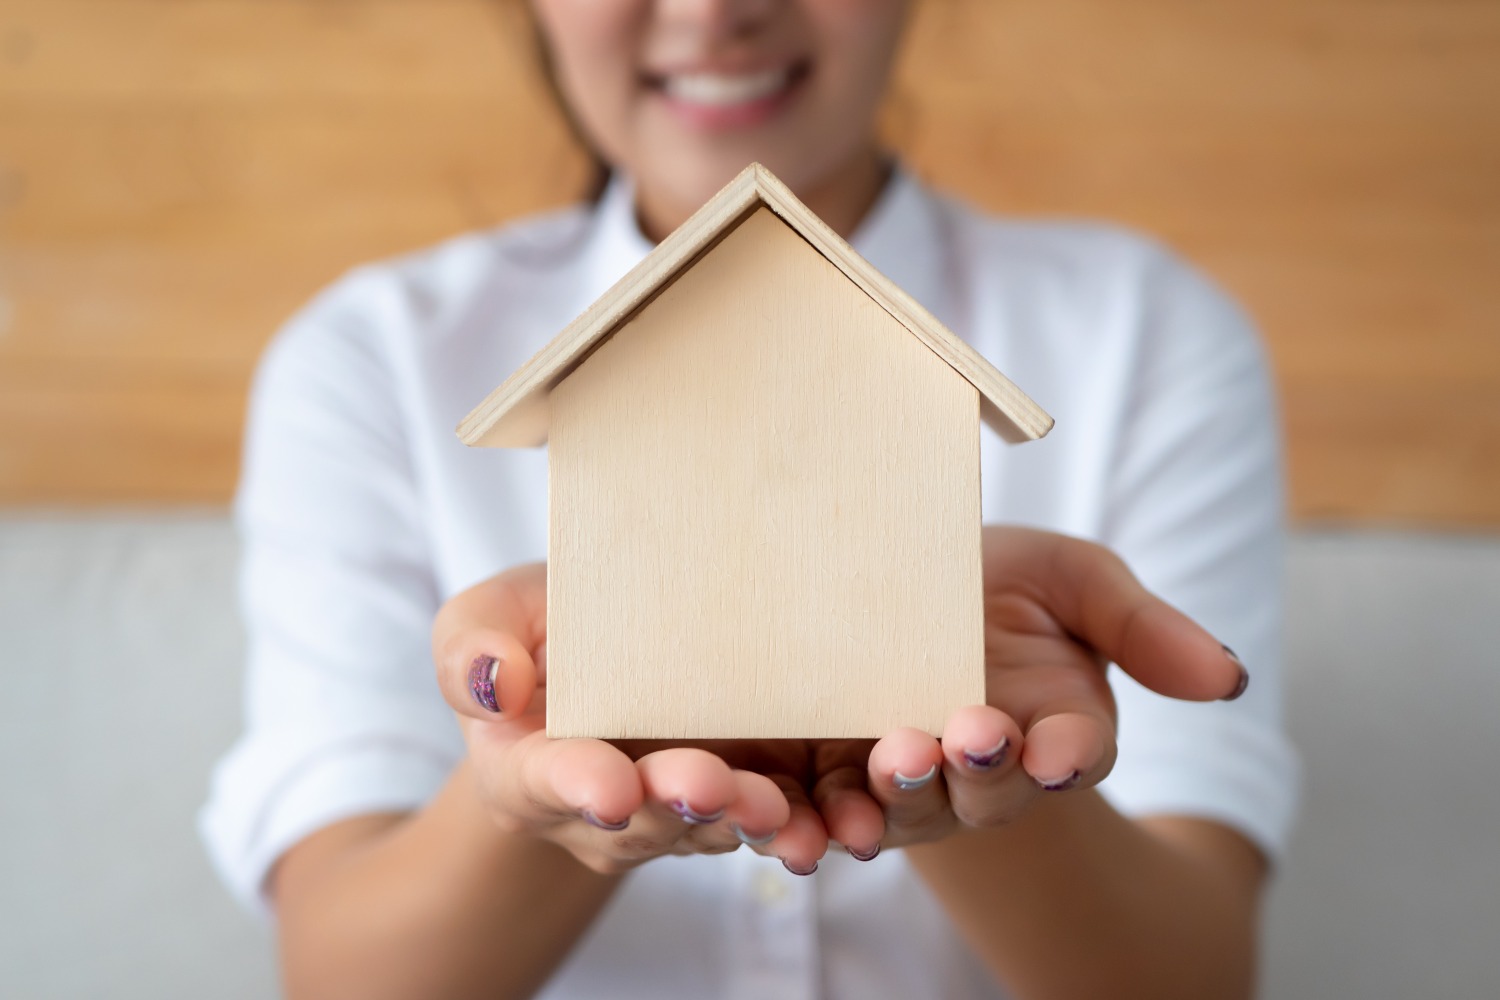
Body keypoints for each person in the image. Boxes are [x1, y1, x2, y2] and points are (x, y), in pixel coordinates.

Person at [200, 2, 1299, 998]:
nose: (712, 10)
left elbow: (1190, 975)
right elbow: (341, 974)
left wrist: (957, 713)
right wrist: (559, 758)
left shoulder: (1143, 331)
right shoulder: (374, 357)